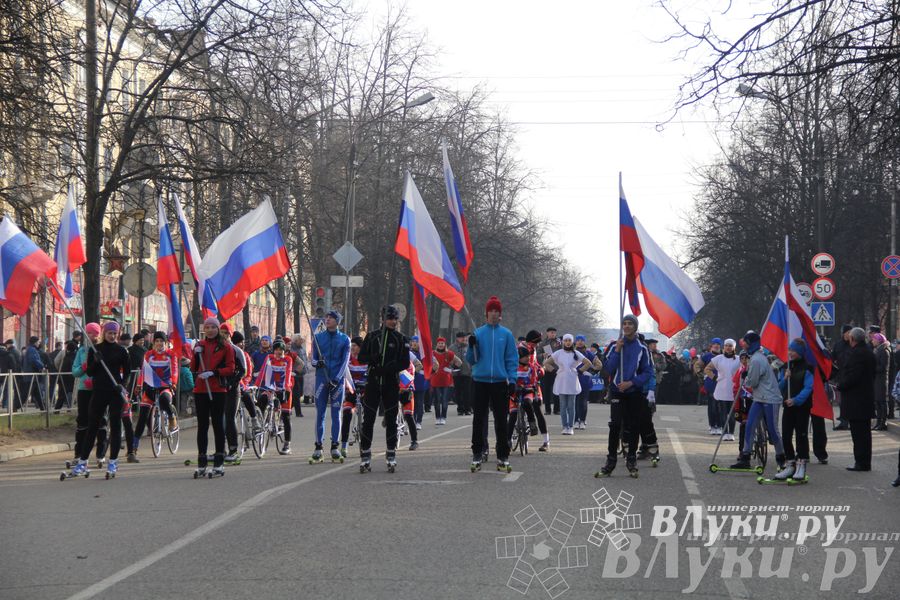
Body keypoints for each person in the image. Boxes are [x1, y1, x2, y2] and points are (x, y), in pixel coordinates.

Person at [68, 322, 130, 478]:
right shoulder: (95, 350)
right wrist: (95, 360)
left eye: (115, 333)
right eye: (109, 333)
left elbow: (128, 372)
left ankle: (113, 461)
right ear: (104, 333)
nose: (112, 336)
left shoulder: (122, 351)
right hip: (99, 391)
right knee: (92, 426)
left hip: (115, 392)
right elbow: (89, 372)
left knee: (115, 426)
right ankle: (83, 462)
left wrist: (122, 385)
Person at [466, 296, 518, 472]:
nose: (494, 314)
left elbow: (511, 359)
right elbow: (471, 360)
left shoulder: (507, 334)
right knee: (478, 419)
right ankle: (477, 453)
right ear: (486, 314)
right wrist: (471, 345)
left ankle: (503, 455)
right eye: (491, 311)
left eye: (497, 311)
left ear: (500, 314)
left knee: (501, 420)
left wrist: (512, 380)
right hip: (480, 381)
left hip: (499, 382)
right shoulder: (478, 333)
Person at [596, 315, 652, 477]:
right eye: (624, 324)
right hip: (616, 391)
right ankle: (611, 460)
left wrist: (632, 383)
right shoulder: (614, 345)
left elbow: (647, 372)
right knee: (615, 424)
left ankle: (631, 459)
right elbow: (607, 369)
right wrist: (617, 351)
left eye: (630, 324)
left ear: (635, 327)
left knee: (633, 425)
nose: (626, 326)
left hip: (633, 392)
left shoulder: (642, 348)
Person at [358, 305, 409, 472]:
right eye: (390, 318)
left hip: (390, 383)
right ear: (383, 319)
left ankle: (391, 453)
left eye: (395, 319)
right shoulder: (372, 336)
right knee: (369, 420)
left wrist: (389, 368)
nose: (393, 321)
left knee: (391, 419)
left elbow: (405, 363)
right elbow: (361, 357)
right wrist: (373, 359)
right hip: (373, 382)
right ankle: (365, 454)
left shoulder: (400, 338)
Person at [730, 331, 786, 471]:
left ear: (752, 344)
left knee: (773, 430)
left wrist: (746, 376)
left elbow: (752, 383)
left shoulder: (756, 359)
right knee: (749, 424)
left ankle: (782, 458)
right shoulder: (755, 357)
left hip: (770, 398)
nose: (745, 346)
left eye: (747, 343)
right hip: (759, 398)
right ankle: (745, 456)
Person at [190, 318, 236, 477]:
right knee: (202, 426)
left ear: (218, 329)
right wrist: (195, 356)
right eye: (207, 327)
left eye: (213, 327)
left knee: (217, 424)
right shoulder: (199, 346)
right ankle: (202, 462)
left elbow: (230, 368)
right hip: (201, 389)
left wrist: (215, 372)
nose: (210, 330)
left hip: (217, 390)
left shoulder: (226, 347)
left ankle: (219, 462)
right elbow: (193, 367)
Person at [130, 332, 179, 462]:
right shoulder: (149, 354)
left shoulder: (171, 354)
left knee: (164, 400)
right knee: (142, 416)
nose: (159, 344)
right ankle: (133, 448)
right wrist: (139, 385)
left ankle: (171, 416)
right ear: (153, 343)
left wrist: (173, 382)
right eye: (156, 341)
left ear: (165, 342)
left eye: (161, 341)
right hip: (150, 387)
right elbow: (143, 370)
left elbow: (174, 369)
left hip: (165, 386)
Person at [772, 339, 814, 481]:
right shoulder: (785, 366)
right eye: (789, 350)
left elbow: (808, 388)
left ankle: (801, 463)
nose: (790, 353)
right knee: (786, 435)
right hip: (788, 406)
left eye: (793, 350)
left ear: (800, 352)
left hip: (802, 407)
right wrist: (785, 378)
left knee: (801, 435)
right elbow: (779, 387)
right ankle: (790, 464)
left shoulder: (808, 368)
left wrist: (796, 400)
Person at [312, 310, 351, 463]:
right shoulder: (318, 338)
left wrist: (337, 379)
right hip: (321, 379)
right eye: (326, 317)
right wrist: (318, 363)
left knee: (336, 413)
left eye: (331, 318)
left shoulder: (345, 339)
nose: (327, 320)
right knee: (320, 413)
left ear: (337, 321)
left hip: (337, 381)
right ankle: (318, 447)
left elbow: (345, 361)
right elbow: (313, 360)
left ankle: (335, 446)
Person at [836, 327, 875, 471]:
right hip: (864, 398)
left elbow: (853, 376)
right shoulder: (867, 352)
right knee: (863, 433)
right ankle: (864, 461)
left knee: (859, 434)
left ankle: (861, 462)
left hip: (857, 400)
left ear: (853, 339)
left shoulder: (858, 354)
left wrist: (841, 385)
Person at [70, 323, 105, 467]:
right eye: (90, 333)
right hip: (84, 389)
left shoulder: (103, 350)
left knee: (101, 421)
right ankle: (79, 454)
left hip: (99, 389)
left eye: (95, 333)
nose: (93, 336)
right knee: (83, 421)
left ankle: (100, 454)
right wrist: (83, 368)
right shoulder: (82, 351)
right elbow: (75, 371)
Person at [543, 334, 593, 435]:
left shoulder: (577, 353)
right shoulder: (558, 353)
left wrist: (579, 371)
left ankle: (570, 427)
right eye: (565, 340)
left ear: (572, 341)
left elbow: (588, 363)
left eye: (569, 340)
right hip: (561, 380)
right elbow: (546, 363)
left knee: (571, 405)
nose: (567, 342)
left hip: (572, 380)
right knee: (563, 406)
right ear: (563, 342)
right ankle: (564, 426)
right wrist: (553, 371)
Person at [255, 340, 294, 455]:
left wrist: (286, 386)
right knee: (261, 400)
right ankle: (260, 422)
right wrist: (256, 385)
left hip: (284, 388)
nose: (278, 352)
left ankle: (287, 444)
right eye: (276, 349)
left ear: (284, 350)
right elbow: (262, 372)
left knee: (286, 416)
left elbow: (288, 373)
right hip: (270, 387)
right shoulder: (269, 358)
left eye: (281, 350)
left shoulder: (287, 359)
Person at [705, 339, 741, 441]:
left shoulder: (738, 359)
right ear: (723, 347)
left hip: (734, 390)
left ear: (734, 347)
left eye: (730, 346)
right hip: (722, 389)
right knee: (723, 412)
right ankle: (725, 432)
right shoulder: (718, 358)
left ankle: (731, 433)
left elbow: (745, 369)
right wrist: (715, 378)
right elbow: (707, 369)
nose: (728, 347)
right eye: (726, 345)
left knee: (732, 413)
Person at [341, 337, 367, 457]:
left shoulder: (367, 359)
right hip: (351, 391)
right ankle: (344, 445)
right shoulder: (348, 359)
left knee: (367, 417)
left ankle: (366, 444)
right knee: (347, 414)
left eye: (355, 345)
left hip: (364, 391)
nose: (352, 348)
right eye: (351, 346)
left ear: (361, 347)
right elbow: (344, 374)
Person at [508, 345, 540, 443]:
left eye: (528, 356)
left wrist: (531, 387)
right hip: (514, 392)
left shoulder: (531, 367)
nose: (527, 358)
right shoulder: (512, 366)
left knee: (527, 403)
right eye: (524, 356)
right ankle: (507, 439)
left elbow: (534, 380)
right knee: (513, 415)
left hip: (527, 390)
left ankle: (532, 423)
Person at [429, 337, 462, 425]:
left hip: (446, 381)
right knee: (437, 400)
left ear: (445, 344)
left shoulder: (449, 354)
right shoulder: (432, 354)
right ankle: (437, 417)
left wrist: (452, 368)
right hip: (435, 380)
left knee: (444, 400)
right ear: (437, 344)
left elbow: (459, 362)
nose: (441, 345)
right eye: (439, 343)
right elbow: (427, 363)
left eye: (442, 343)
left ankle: (443, 417)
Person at [831, 325, 853, 430]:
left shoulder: (854, 344)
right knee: (841, 401)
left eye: (851, 332)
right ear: (844, 333)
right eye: (848, 332)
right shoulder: (838, 345)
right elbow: (832, 357)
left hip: (852, 375)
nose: (850, 334)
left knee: (850, 400)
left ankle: (851, 420)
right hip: (841, 376)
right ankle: (844, 422)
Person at [574, 335, 597, 430]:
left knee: (583, 402)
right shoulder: (571, 353)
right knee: (575, 402)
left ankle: (582, 420)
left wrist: (591, 372)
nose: (579, 342)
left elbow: (598, 364)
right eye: (578, 340)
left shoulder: (588, 353)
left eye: (582, 340)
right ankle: (575, 420)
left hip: (585, 381)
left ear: (584, 342)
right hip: (573, 380)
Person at [400, 352, 422, 451]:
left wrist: (404, 388)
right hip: (394, 391)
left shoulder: (408, 364)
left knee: (409, 415)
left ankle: (414, 441)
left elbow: (408, 380)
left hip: (406, 391)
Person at [537, 328, 562, 415]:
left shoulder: (559, 343)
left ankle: (557, 409)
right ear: (547, 333)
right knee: (546, 389)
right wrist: (542, 355)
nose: (553, 334)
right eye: (551, 333)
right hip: (546, 368)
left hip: (557, 369)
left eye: (554, 333)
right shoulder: (543, 343)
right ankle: (547, 409)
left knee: (556, 389)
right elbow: (537, 355)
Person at [449, 332, 473, 416]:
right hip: (456, 373)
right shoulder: (452, 348)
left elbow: (473, 359)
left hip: (467, 373)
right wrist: (452, 365)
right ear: (457, 338)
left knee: (467, 392)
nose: (463, 339)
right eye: (461, 337)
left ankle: (468, 408)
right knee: (458, 392)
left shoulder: (469, 347)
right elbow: (448, 359)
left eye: (464, 337)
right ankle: (460, 408)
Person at [871, 332, 890, 431]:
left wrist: (872, 367)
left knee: (882, 401)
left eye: (874, 339)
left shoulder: (884, 351)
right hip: (876, 379)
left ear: (878, 340)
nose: (872, 341)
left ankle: (883, 422)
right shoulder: (877, 350)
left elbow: (883, 367)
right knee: (877, 401)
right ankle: (878, 422)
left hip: (882, 380)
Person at [53, 340, 78, 410]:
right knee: (71, 393)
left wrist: (59, 370)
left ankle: (57, 409)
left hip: (63, 377)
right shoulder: (74, 356)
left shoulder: (66, 356)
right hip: (71, 378)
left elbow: (56, 361)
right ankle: (70, 408)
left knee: (62, 394)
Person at [23, 335, 46, 411]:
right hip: (31, 375)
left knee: (37, 392)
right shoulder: (32, 350)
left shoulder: (30, 349)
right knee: (26, 393)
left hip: (32, 375)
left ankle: (43, 408)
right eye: (38, 342)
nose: (39, 343)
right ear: (35, 342)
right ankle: (15, 406)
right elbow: (34, 360)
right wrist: (42, 366)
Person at [290, 334, 308, 417]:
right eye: (300, 339)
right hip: (294, 374)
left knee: (300, 393)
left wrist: (305, 368)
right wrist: (294, 371)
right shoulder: (292, 349)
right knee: (296, 394)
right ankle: (298, 412)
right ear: (295, 340)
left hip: (302, 373)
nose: (302, 340)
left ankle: (288, 408)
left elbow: (305, 360)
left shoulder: (302, 349)